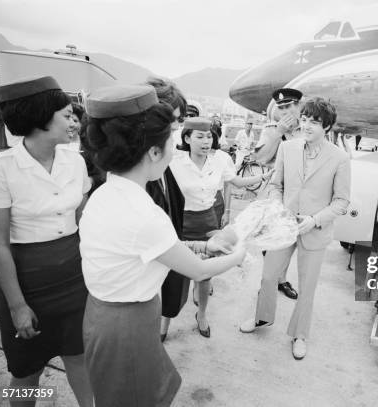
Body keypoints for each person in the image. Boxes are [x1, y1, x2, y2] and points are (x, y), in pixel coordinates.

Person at [79, 85, 245, 407]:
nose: (174, 147)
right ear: (154, 152)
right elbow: (197, 271)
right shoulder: (144, 213)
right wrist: (238, 254)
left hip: (104, 316)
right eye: (171, 138)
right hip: (128, 325)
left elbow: (144, 249)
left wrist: (199, 245)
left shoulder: (106, 193)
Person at [0, 76, 94, 407]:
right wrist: (17, 306)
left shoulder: (75, 161)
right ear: (40, 118)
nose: (74, 121)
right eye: (66, 115)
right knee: (26, 371)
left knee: (80, 359)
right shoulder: (2, 169)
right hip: (27, 283)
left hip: (74, 278)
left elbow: (81, 222)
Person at [240, 97, 351, 360]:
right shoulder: (287, 149)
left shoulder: (340, 158)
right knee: (268, 276)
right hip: (284, 225)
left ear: (327, 127)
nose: (307, 125)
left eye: (314, 122)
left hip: (315, 230)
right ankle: (262, 318)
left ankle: (300, 334)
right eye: (304, 120)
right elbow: (276, 185)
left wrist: (314, 220)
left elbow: (342, 202)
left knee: (307, 286)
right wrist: (279, 209)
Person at [170, 117, 272, 338]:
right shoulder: (175, 161)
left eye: (209, 136)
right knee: (176, 275)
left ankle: (202, 315)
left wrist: (264, 176)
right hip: (181, 222)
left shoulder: (219, 160)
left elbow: (235, 181)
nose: (206, 141)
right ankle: (165, 321)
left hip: (207, 221)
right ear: (187, 138)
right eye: (200, 136)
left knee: (205, 275)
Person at [143, 77, 189, 342]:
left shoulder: (163, 159)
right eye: (174, 117)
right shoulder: (139, 165)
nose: (176, 125)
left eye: (179, 119)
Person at [253, 87, 305, 300]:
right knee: (269, 243)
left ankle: (279, 279)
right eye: (281, 107)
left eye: (289, 106)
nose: (284, 111)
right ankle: (270, 280)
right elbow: (261, 159)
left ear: (299, 106)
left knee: (289, 241)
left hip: (297, 196)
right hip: (273, 194)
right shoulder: (271, 130)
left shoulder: (308, 129)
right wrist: (278, 134)